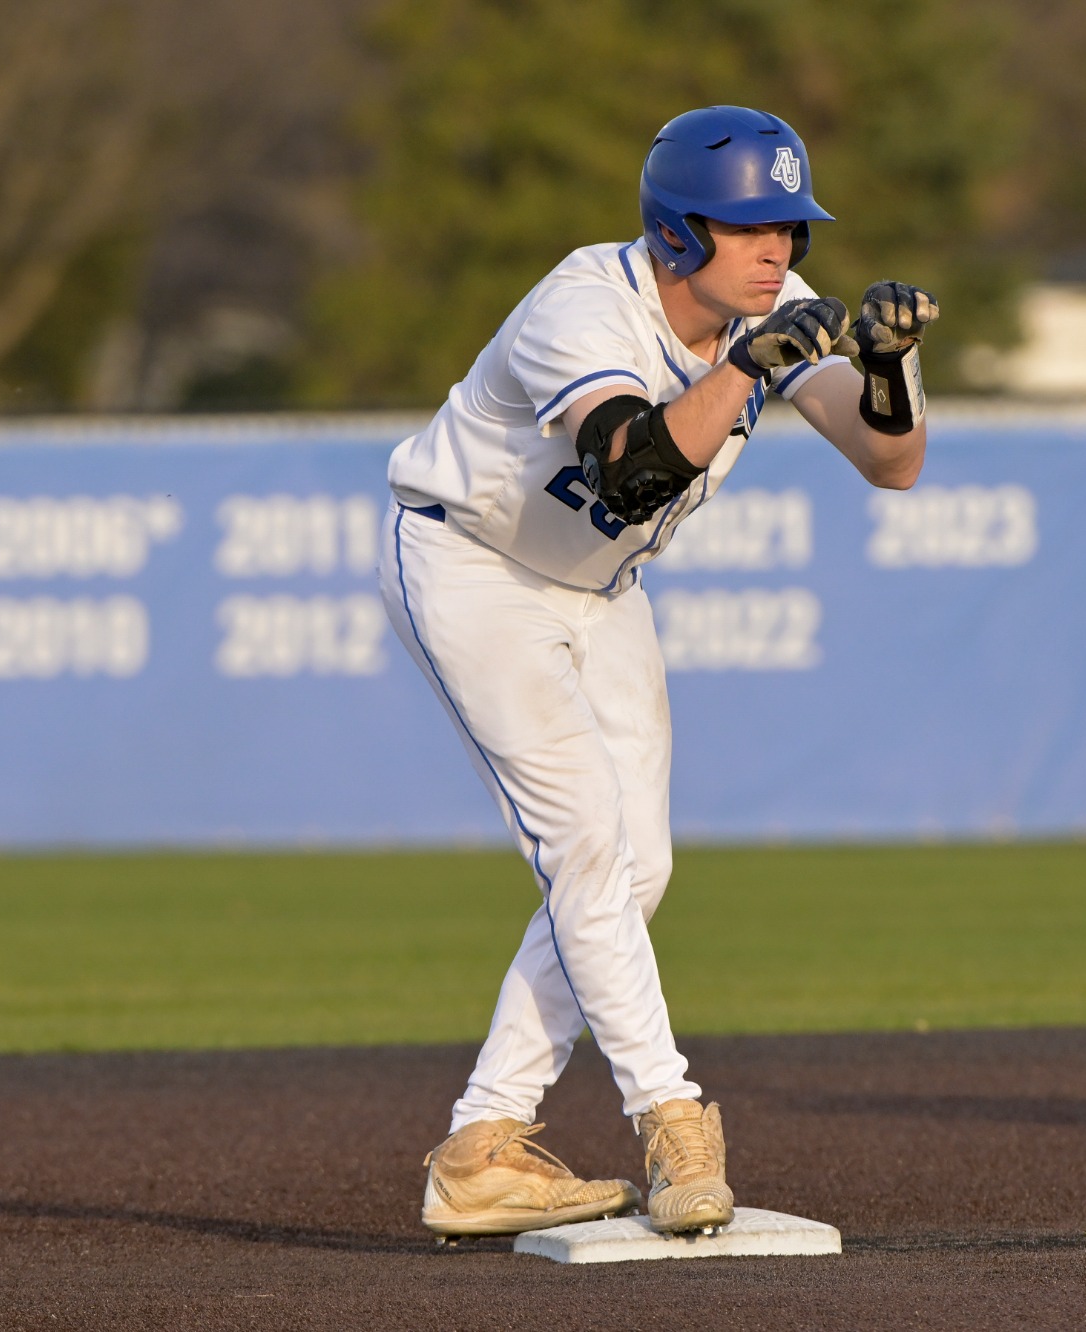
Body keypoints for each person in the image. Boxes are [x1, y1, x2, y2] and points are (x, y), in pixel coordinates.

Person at [378, 104, 937, 1239]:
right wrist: (746, 370)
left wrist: (891, 364)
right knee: (582, 837)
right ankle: (671, 1117)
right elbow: (630, 469)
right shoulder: (581, 308)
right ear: (679, 234)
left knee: (634, 870)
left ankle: (484, 1140)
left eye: (789, 224)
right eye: (748, 226)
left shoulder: (764, 314)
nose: (776, 248)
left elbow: (891, 460)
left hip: (598, 588)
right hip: (471, 561)